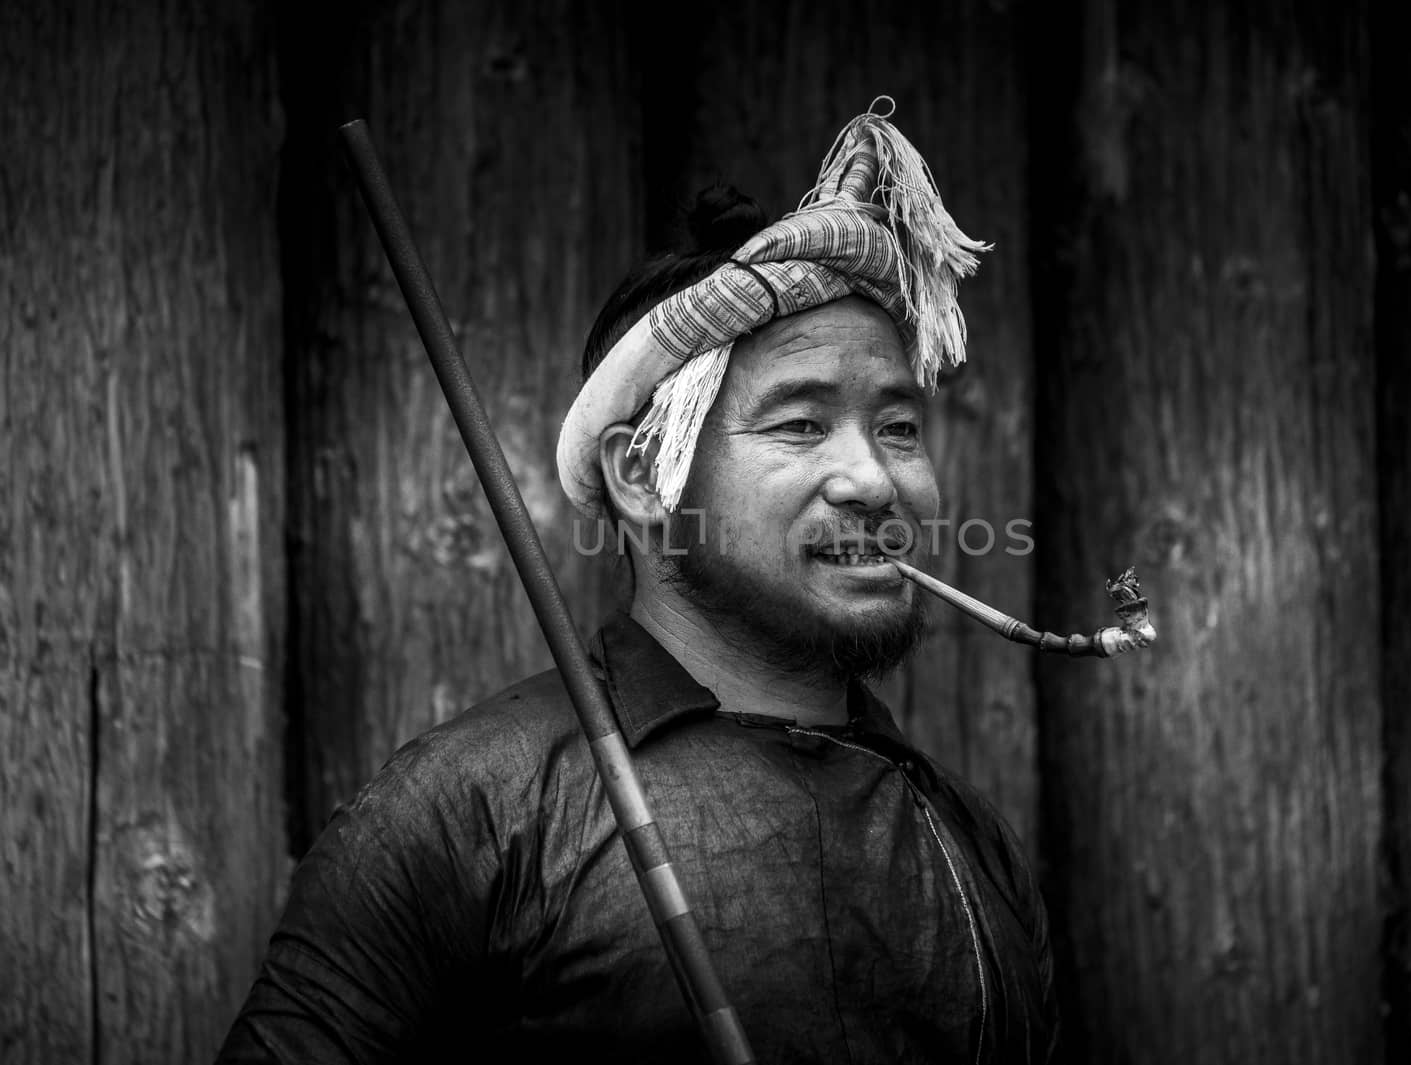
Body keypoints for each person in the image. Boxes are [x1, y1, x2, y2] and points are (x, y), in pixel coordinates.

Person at [218, 102, 1061, 1064]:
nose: (874, 477)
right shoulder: (470, 813)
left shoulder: (971, 843)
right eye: (798, 424)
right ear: (641, 475)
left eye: (899, 427)